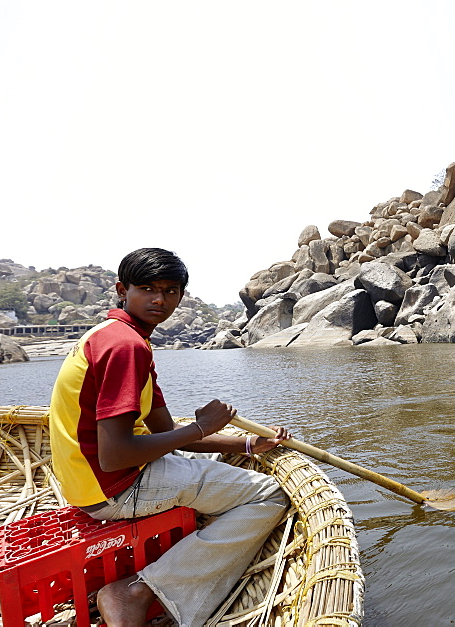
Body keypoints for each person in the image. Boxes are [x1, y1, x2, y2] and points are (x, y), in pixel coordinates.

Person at [49, 248, 291, 627]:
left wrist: (247, 445)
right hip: (115, 487)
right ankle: (136, 593)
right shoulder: (125, 346)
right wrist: (201, 427)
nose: (160, 300)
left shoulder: (120, 338)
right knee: (269, 496)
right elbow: (115, 455)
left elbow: (167, 434)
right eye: (147, 288)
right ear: (122, 290)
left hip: (90, 485)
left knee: (212, 464)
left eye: (171, 290)